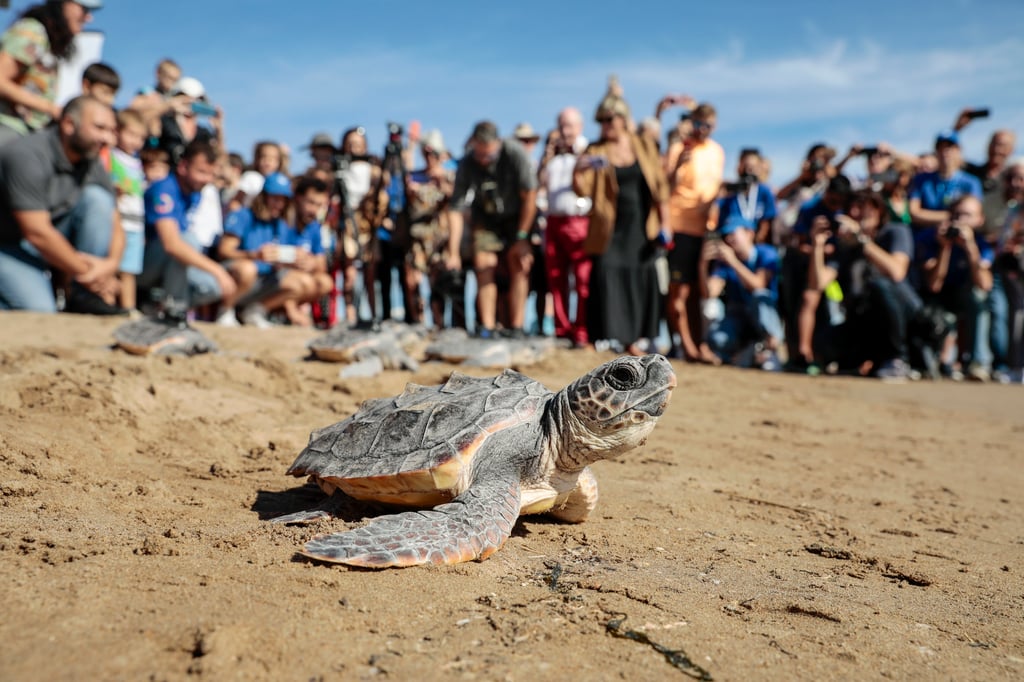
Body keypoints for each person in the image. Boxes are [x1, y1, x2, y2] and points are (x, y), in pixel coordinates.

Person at [0, 94, 124, 313]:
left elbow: (114, 219)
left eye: (112, 131)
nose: (109, 139)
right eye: (100, 128)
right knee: (40, 311)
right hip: (8, 245)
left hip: (44, 245)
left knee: (98, 199)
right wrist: (90, 274)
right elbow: (36, 232)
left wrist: (110, 265)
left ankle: (82, 298)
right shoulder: (27, 153)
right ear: (68, 124)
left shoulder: (91, 159)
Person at [572, 85, 670, 355]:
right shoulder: (596, 149)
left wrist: (666, 225)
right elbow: (582, 189)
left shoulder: (644, 145)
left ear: (624, 120)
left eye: (609, 120)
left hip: (641, 224)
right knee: (604, 273)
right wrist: (578, 170)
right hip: (609, 228)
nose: (605, 125)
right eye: (601, 121)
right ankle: (597, 337)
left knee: (639, 277)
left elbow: (660, 188)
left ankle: (632, 341)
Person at [808, 191, 919, 380]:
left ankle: (898, 359)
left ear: (879, 210)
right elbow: (818, 283)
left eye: (862, 207)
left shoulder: (896, 231)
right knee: (825, 342)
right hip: (865, 319)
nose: (855, 212)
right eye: (851, 208)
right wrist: (817, 246)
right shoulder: (846, 246)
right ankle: (864, 360)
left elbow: (896, 272)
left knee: (879, 286)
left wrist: (861, 240)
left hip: (905, 314)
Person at [445, 120, 538, 337]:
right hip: (486, 220)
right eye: (480, 155)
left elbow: (530, 197)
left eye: (489, 155)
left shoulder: (515, 153)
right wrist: (453, 252)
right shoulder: (468, 163)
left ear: (498, 143)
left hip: (517, 218)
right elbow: (455, 209)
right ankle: (487, 327)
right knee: (484, 263)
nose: (484, 160)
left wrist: (522, 237)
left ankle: (517, 327)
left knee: (520, 263)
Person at [137, 138, 237, 318]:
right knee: (187, 241)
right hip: (143, 265)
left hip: (169, 264)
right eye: (201, 171)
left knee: (213, 288)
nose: (206, 179)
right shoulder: (164, 190)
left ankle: (159, 307)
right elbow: (171, 244)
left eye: (211, 174)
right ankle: (174, 311)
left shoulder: (193, 193)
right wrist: (218, 270)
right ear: (183, 166)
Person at [663, 102, 724, 362]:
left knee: (700, 292)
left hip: (707, 228)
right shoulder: (679, 148)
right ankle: (686, 345)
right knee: (679, 290)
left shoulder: (717, 152)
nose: (703, 130)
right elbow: (663, 187)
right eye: (699, 124)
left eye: (708, 125)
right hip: (680, 226)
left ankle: (699, 343)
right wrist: (677, 165)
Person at [0, 0, 99, 147]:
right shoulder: (33, 32)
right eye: (84, 9)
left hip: (24, 134)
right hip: (6, 128)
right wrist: (50, 108)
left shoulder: (47, 41)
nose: (89, 18)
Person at [920, 195, 994, 380]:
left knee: (979, 299)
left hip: (966, 297)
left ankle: (979, 363)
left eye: (967, 215)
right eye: (957, 215)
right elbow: (934, 285)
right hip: (940, 299)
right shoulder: (933, 239)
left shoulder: (982, 245)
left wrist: (970, 247)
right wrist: (944, 248)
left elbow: (985, 284)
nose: (961, 221)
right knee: (943, 316)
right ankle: (943, 363)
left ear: (980, 220)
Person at [539, 106, 591, 347]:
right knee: (556, 279)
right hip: (554, 221)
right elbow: (540, 186)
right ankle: (562, 329)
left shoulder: (588, 152)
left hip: (580, 220)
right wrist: (546, 157)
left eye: (569, 125)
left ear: (579, 127)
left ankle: (581, 330)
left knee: (582, 279)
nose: (565, 131)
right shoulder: (552, 158)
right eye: (561, 125)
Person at [703, 215, 783, 369]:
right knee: (718, 338)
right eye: (726, 236)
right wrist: (703, 263)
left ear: (749, 233)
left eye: (733, 233)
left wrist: (733, 261)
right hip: (739, 316)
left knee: (760, 297)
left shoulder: (766, 252)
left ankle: (771, 348)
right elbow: (710, 293)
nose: (729, 239)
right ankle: (749, 352)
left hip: (763, 316)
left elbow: (758, 285)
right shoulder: (724, 261)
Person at [404, 129, 456, 328]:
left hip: (438, 238)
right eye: (425, 153)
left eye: (433, 153)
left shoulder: (449, 175)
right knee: (413, 281)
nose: (429, 158)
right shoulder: (414, 176)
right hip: (417, 236)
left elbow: (455, 201)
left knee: (437, 284)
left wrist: (441, 181)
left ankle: (438, 324)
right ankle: (419, 322)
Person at [110, 108, 147, 311]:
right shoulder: (111, 157)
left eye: (140, 137)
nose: (136, 141)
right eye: (131, 134)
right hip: (118, 221)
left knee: (129, 269)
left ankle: (128, 308)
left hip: (135, 224)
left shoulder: (137, 162)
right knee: (113, 265)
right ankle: (109, 304)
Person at [716, 148, 777, 244]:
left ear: (759, 168)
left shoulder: (765, 191)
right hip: (730, 240)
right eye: (745, 167)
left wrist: (755, 241)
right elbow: (716, 219)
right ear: (739, 167)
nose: (748, 172)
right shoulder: (730, 193)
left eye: (752, 167)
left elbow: (767, 223)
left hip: (755, 244)